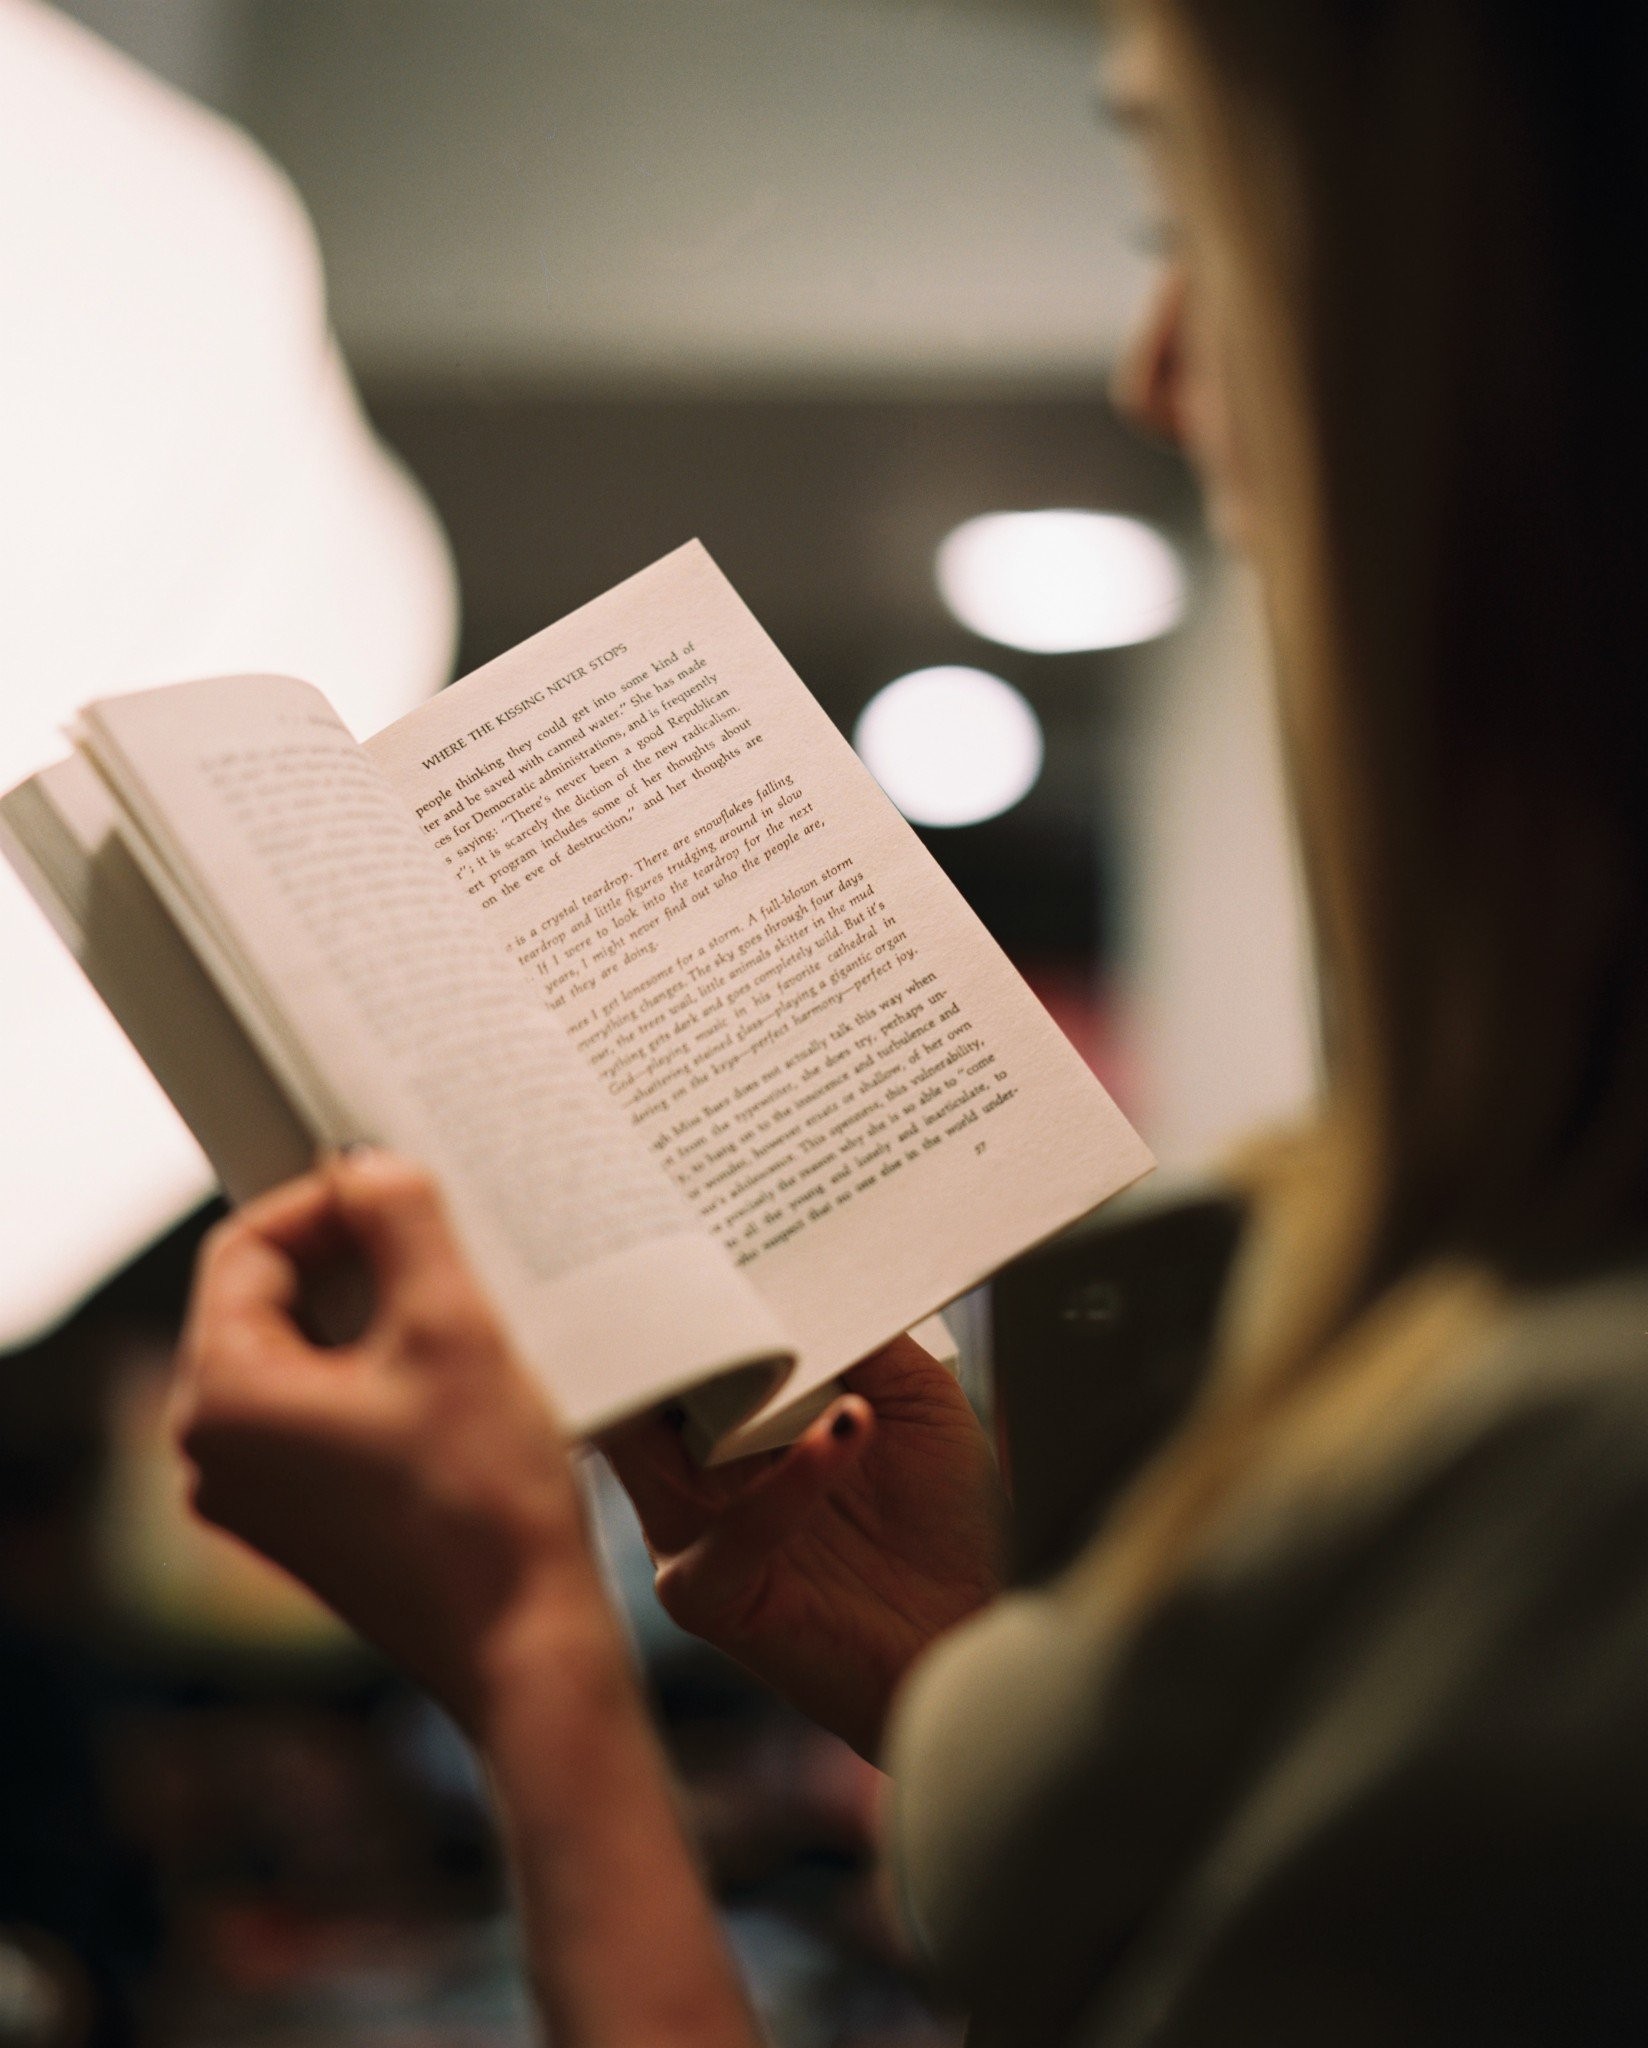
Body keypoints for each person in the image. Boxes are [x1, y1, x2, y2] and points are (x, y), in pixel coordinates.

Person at [171, 0, 1648, 2041]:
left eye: (1188, 220)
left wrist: (525, 1651)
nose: (1155, 367)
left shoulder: (1578, 1457)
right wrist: (941, 1652)